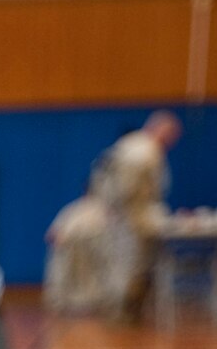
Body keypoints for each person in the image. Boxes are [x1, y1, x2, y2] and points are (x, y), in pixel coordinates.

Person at [45, 110, 182, 320]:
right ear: (162, 131)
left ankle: (123, 311)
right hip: (129, 219)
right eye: (171, 136)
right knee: (128, 268)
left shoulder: (132, 147)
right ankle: (121, 313)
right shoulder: (142, 151)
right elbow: (125, 189)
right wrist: (120, 209)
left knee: (126, 267)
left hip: (126, 217)